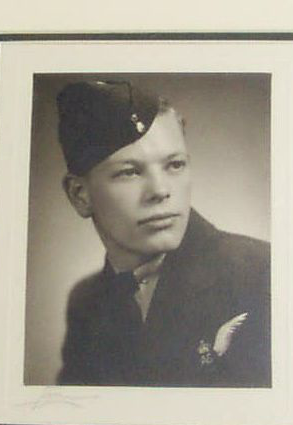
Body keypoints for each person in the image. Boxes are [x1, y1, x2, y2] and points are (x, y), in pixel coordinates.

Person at [55, 80, 271, 387]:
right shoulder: (86, 304)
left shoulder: (265, 275)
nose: (160, 191)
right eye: (129, 172)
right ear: (80, 195)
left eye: (175, 165)